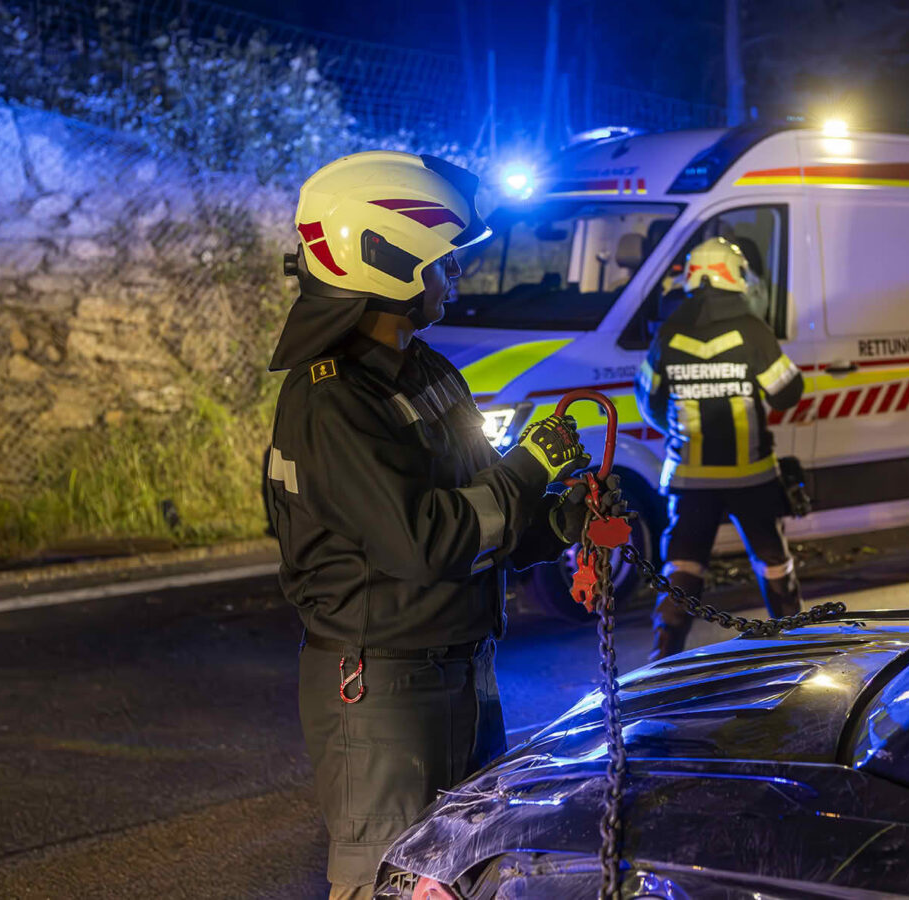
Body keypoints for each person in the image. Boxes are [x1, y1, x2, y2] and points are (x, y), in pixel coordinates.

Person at [264, 151, 618, 898]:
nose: (454, 277)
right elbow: (425, 539)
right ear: (387, 260)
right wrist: (530, 466)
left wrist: (562, 521)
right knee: (391, 880)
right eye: (443, 261)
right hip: (382, 685)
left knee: (470, 876)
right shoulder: (332, 400)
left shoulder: (427, 374)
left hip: (461, 670)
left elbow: (483, 512)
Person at [635, 236, 805, 662]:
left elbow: (648, 400)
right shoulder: (752, 329)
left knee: (683, 566)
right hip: (752, 475)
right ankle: (798, 650)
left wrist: (678, 429)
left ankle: (663, 660)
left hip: (690, 478)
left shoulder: (670, 331)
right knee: (772, 560)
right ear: (736, 276)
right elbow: (786, 393)